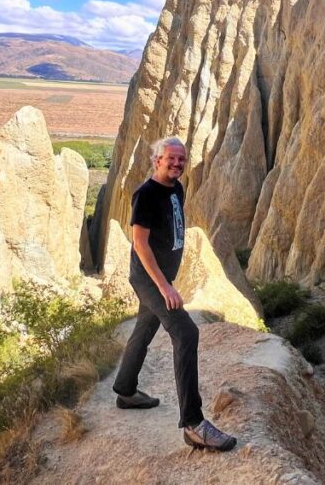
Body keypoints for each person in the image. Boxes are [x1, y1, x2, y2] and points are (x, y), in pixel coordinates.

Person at [111, 136, 237, 452]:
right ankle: (193, 424)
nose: (177, 164)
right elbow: (140, 244)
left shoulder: (176, 189)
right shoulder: (147, 194)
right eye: (171, 159)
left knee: (144, 328)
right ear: (157, 160)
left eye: (181, 160)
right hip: (149, 279)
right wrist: (164, 286)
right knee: (186, 333)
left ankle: (126, 390)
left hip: (161, 277)